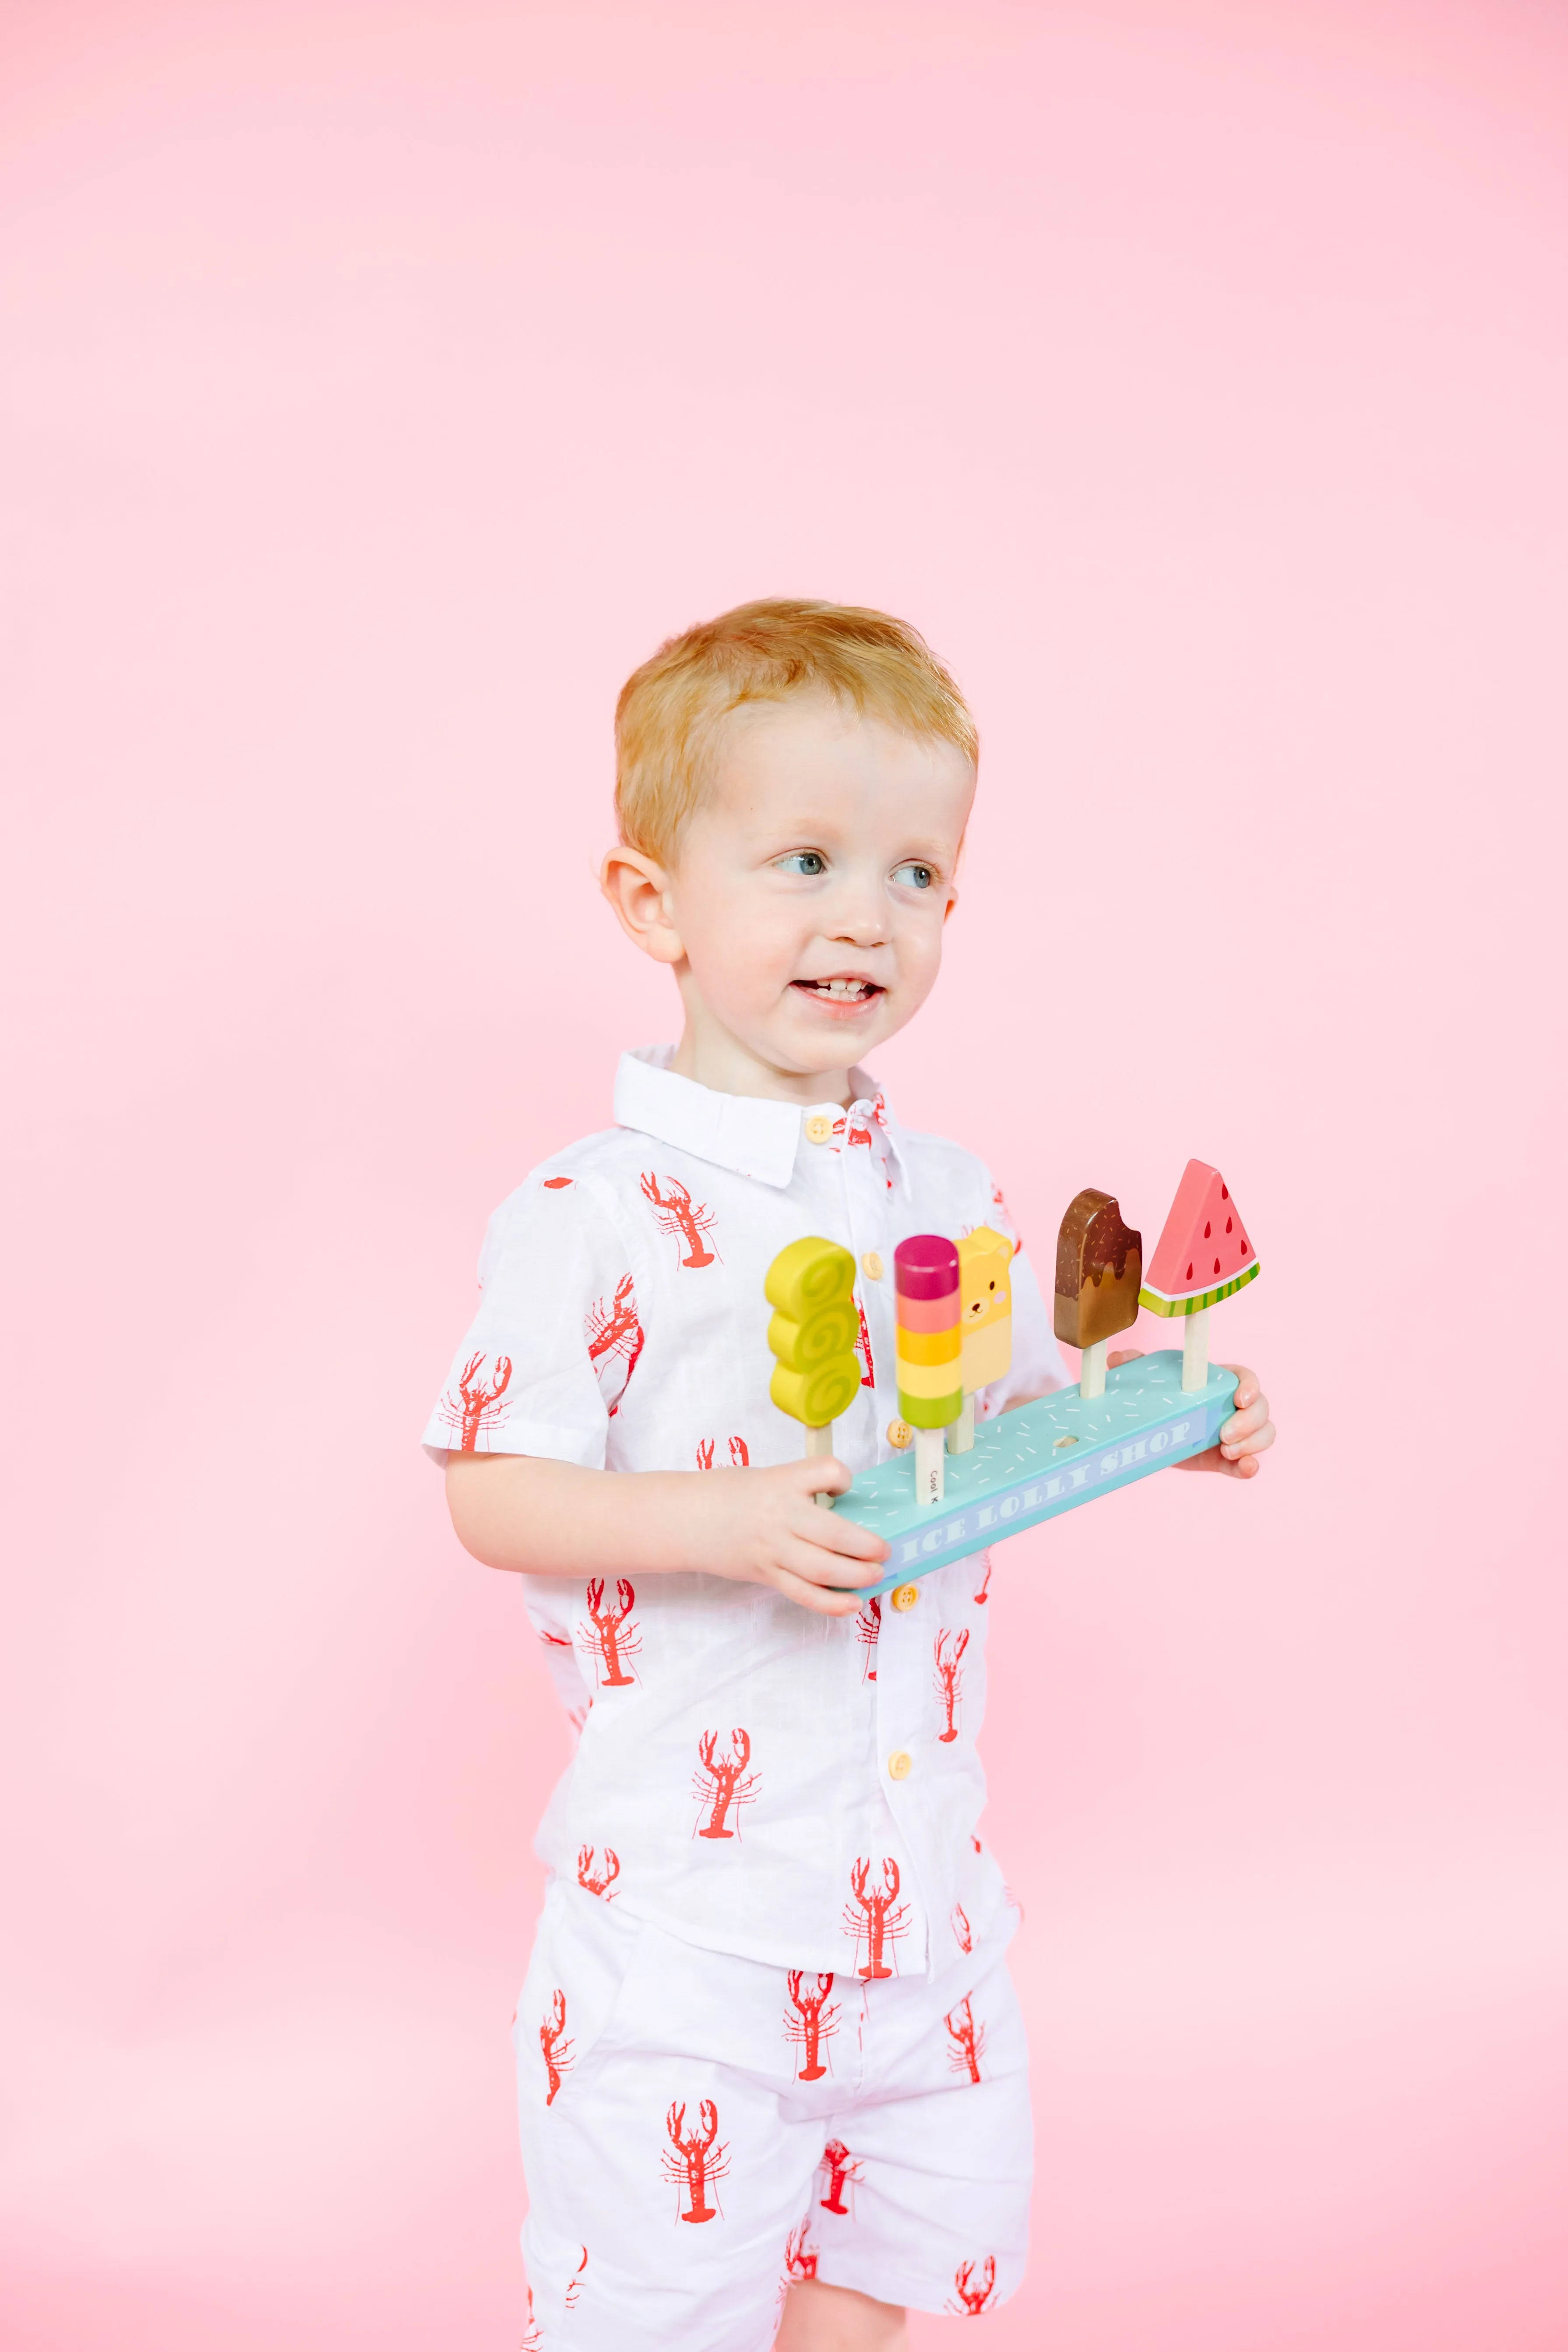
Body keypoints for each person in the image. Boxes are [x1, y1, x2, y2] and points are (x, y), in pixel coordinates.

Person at [430, 600, 1275, 2352]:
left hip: (925, 1905)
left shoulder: (946, 1186)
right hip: (692, 1921)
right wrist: (715, 1521)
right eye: (803, 858)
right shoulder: (584, 1216)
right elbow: (492, 1487)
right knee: (656, 2309)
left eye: (914, 873)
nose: (861, 917)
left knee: (891, 2267)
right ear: (653, 902)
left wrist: (1159, 1405)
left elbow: (982, 1406)